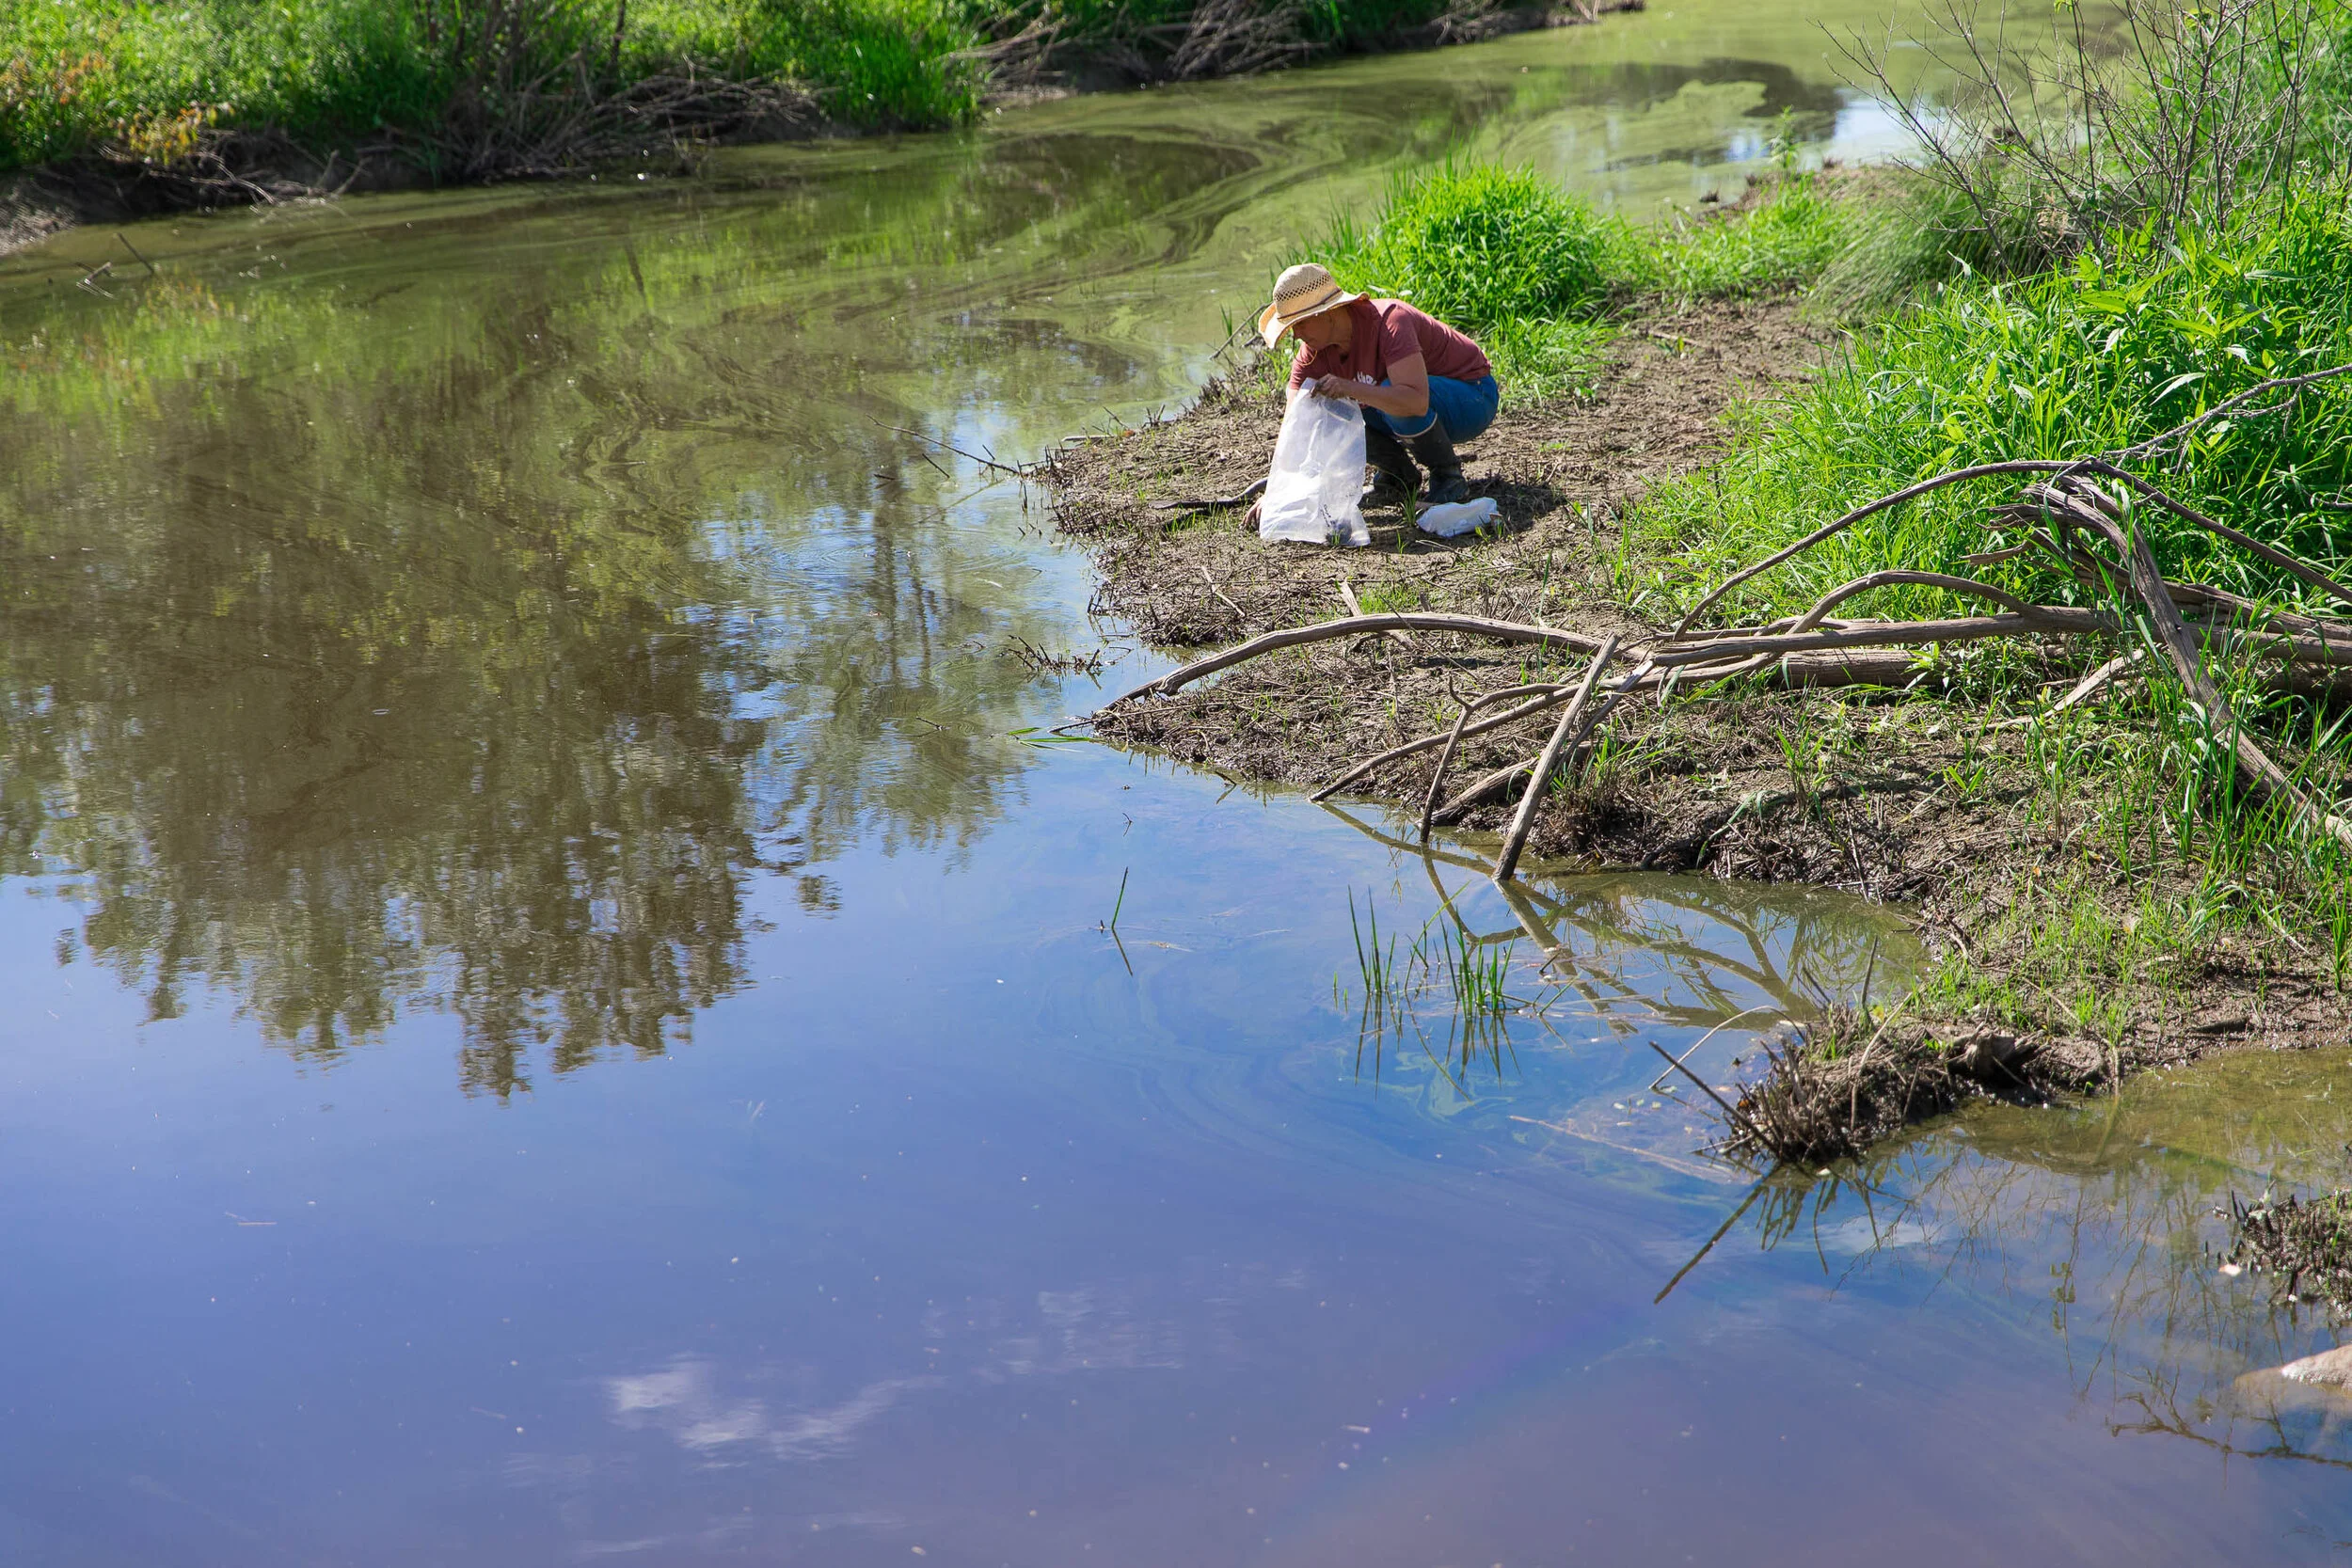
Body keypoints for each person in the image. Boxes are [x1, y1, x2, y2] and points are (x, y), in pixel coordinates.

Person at [1250, 261, 1498, 511]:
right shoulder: (1312, 354)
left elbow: (1415, 401)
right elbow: (1295, 425)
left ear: (1326, 313)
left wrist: (1349, 387)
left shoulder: (1390, 321)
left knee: (1391, 391)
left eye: (1300, 323)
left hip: (1473, 397)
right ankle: (1398, 476)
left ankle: (1448, 478)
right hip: (1419, 407)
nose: (1296, 335)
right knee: (1325, 407)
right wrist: (1277, 491)